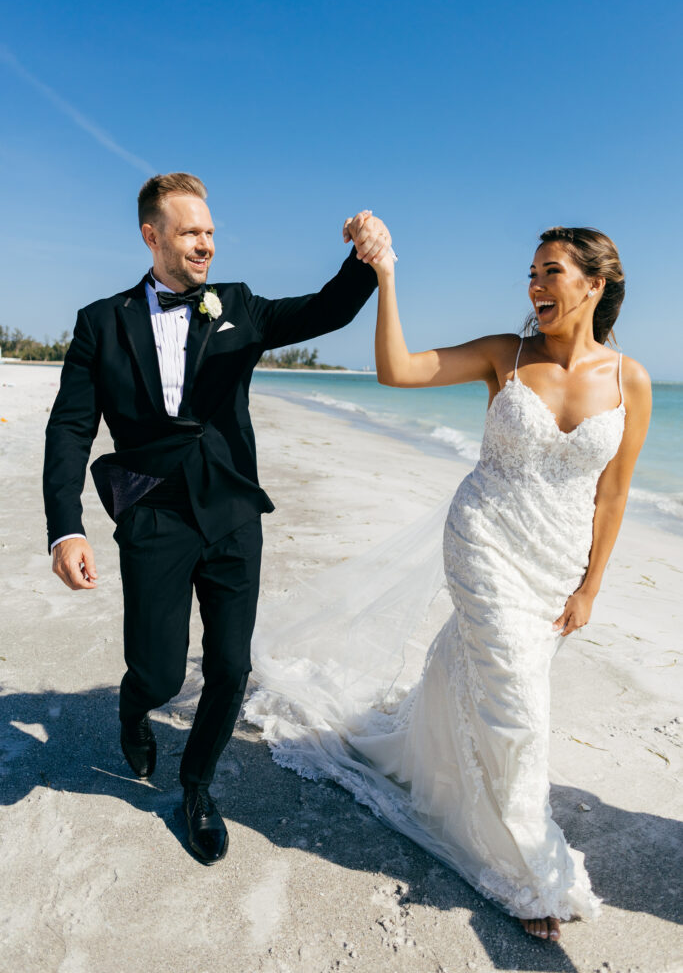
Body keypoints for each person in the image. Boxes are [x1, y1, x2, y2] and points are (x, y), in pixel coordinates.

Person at [246, 224, 651, 940]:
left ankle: (431, 769)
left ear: (594, 284)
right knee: (518, 706)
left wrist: (590, 586)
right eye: (530, 271)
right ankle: (530, 869)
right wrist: (388, 277)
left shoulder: (629, 381)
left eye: (550, 271)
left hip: (555, 561)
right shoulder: (506, 354)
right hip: (485, 541)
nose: (534, 285)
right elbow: (397, 371)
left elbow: (611, 495)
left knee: (480, 678)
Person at [43, 172, 393, 865]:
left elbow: (327, 310)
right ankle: (133, 704)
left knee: (231, 666)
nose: (205, 243)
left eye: (209, 231)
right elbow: (70, 430)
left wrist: (365, 259)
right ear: (152, 236)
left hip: (233, 511)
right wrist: (66, 526)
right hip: (153, 517)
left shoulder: (238, 306)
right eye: (190, 232)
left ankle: (196, 787)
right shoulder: (100, 321)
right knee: (161, 673)